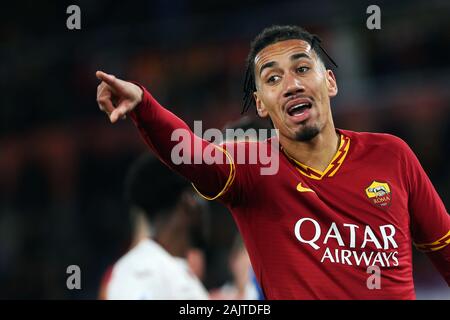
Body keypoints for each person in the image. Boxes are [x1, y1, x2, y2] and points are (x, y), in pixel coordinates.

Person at [95, 25, 450, 299]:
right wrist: (144, 105)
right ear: (261, 104)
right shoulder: (255, 165)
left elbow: (444, 248)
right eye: (273, 78)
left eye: (301, 68)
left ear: (330, 81)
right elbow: (189, 152)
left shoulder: (392, 155)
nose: (291, 85)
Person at [101, 153, 209, 300]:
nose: (204, 208)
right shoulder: (141, 270)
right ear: (187, 203)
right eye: (199, 197)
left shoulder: (173, 270)